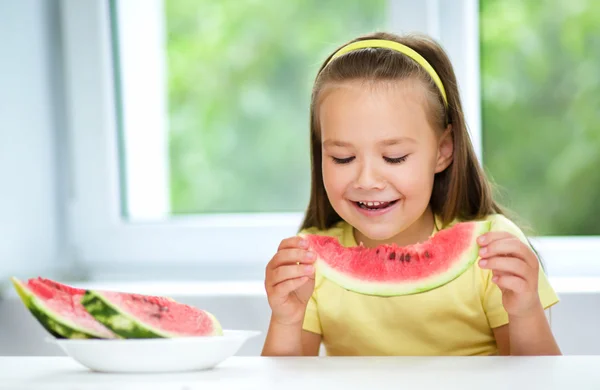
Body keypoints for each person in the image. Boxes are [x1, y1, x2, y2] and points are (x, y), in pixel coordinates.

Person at [261, 32, 560, 356]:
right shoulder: (312, 261)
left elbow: (541, 378)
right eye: (342, 158)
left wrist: (525, 311)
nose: (368, 180)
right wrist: (286, 319)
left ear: (443, 150)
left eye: (395, 157)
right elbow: (286, 381)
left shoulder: (490, 249)